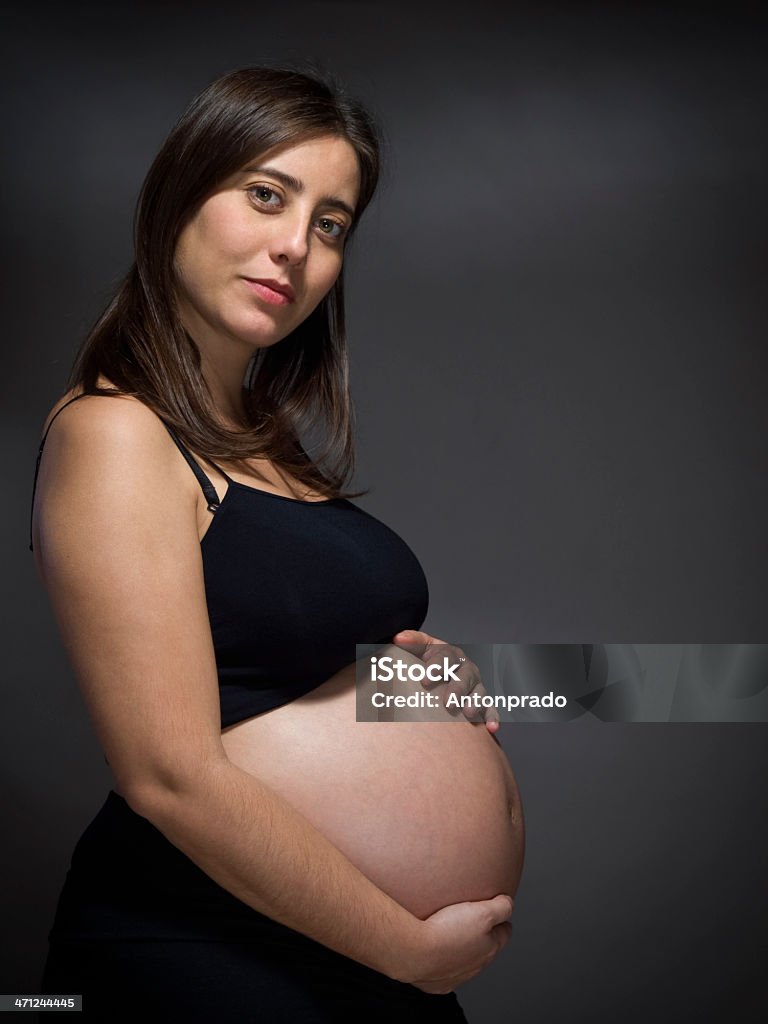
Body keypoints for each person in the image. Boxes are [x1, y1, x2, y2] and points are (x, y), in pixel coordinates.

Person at [29, 65, 524, 1022]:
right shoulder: (116, 432)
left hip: (345, 957)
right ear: (181, 193)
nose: (295, 245)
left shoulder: (263, 445)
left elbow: (268, 674)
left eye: (331, 224)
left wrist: (422, 685)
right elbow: (168, 773)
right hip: (217, 951)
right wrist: (406, 949)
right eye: (266, 194)